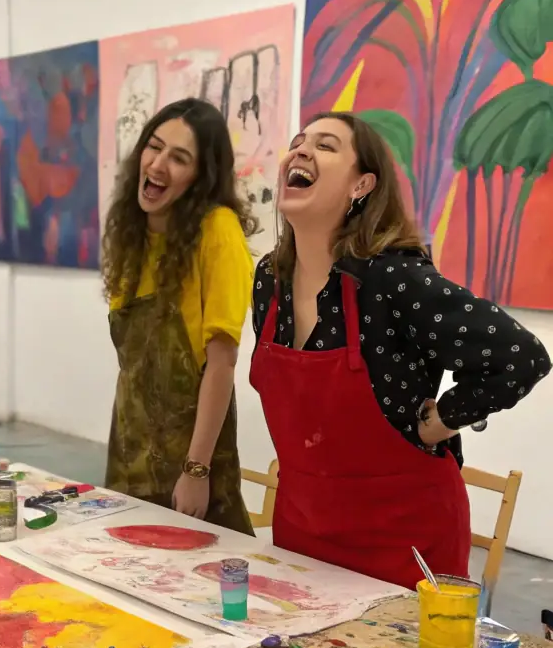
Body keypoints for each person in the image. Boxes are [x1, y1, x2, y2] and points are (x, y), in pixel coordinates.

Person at [251, 111, 551, 588]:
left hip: (404, 544)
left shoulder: (390, 278)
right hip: (303, 532)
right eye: (298, 141)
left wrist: (443, 421)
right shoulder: (271, 279)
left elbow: (519, 356)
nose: (301, 150)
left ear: (362, 185)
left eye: (326, 146)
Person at [102, 98, 257, 533]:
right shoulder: (133, 236)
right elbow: (133, 372)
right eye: (154, 147)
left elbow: (221, 362)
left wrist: (196, 471)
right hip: (129, 456)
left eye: (179, 158)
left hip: (190, 464)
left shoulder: (218, 231)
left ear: (200, 176)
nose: (158, 164)